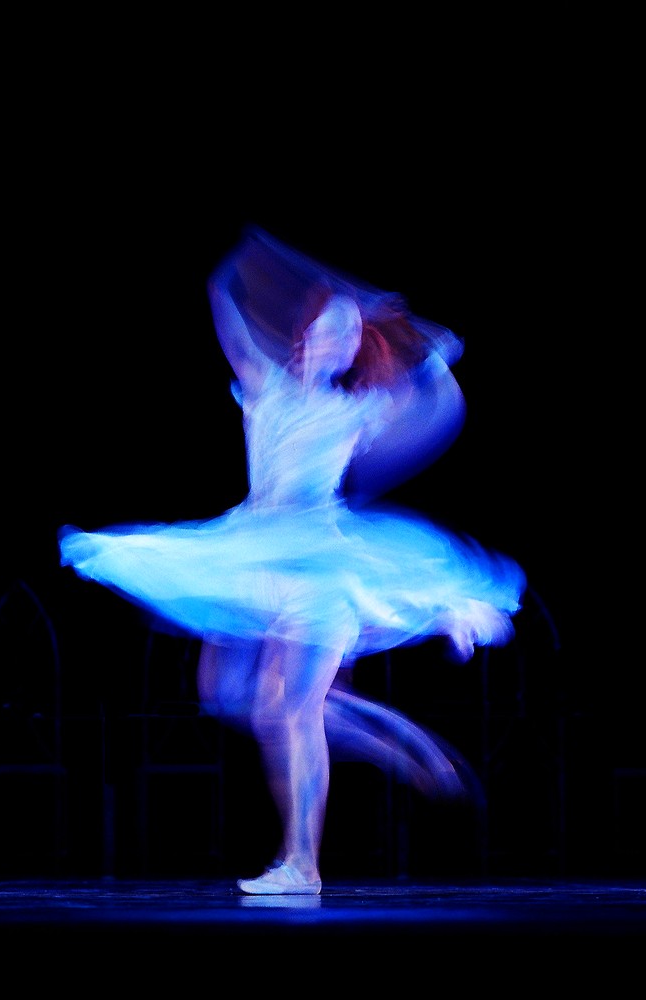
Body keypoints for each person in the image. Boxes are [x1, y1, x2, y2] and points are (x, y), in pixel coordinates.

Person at [59, 227, 526, 895]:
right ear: (306, 336)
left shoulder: (355, 408)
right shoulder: (265, 384)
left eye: (349, 336)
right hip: (255, 547)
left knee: (291, 712)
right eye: (329, 330)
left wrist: (417, 343)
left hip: (317, 565)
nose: (337, 343)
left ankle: (301, 862)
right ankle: (398, 741)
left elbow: (434, 382)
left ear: (351, 349)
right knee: (232, 698)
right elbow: (224, 299)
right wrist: (239, 260)